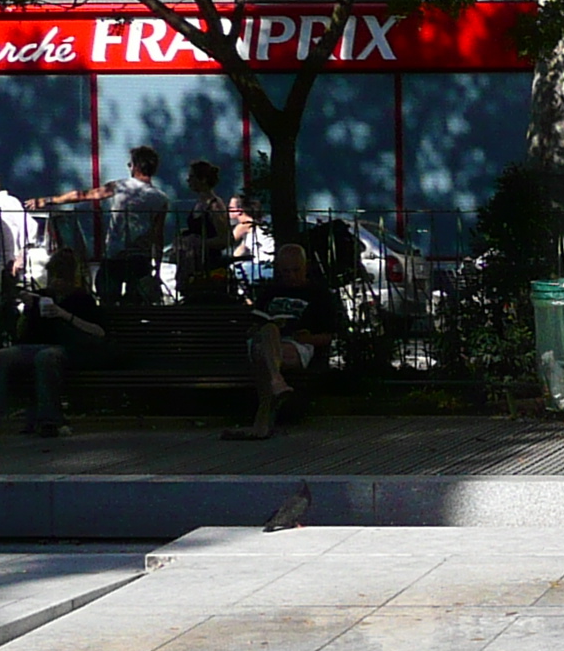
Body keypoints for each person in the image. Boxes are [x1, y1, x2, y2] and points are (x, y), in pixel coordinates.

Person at [0, 247, 111, 442]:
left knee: (47, 357)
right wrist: (27, 310)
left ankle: (49, 421)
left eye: (62, 276)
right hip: (33, 346)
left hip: (66, 349)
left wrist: (64, 315)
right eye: (54, 276)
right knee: (0, 357)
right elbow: (22, 334)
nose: (57, 282)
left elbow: (99, 332)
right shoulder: (41, 297)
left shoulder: (82, 300)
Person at [224, 247, 342, 441]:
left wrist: (308, 338)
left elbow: (329, 335)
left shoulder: (318, 295)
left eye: (295, 270)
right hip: (266, 342)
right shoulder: (271, 291)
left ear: (305, 267)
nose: (291, 276)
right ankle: (276, 382)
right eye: (286, 271)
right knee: (268, 332)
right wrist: (257, 328)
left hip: (296, 345)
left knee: (264, 353)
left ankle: (261, 423)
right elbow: (255, 321)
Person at [41, 145, 169, 304]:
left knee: (107, 298)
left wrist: (50, 200)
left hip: (115, 253)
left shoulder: (121, 186)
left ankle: (108, 327)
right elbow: (158, 235)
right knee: (135, 304)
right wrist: (156, 266)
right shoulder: (161, 199)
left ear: (135, 166)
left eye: (130, 164)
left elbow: (85, 195)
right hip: (140, 257)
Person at [167, 160, 227, 301]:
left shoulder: (214, 205)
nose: (188, 180)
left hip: (207, 264)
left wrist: (199, 243)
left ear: (203, 179)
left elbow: (225, 239)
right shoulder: (199, 204)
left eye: (192, 177)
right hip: (192, 265)